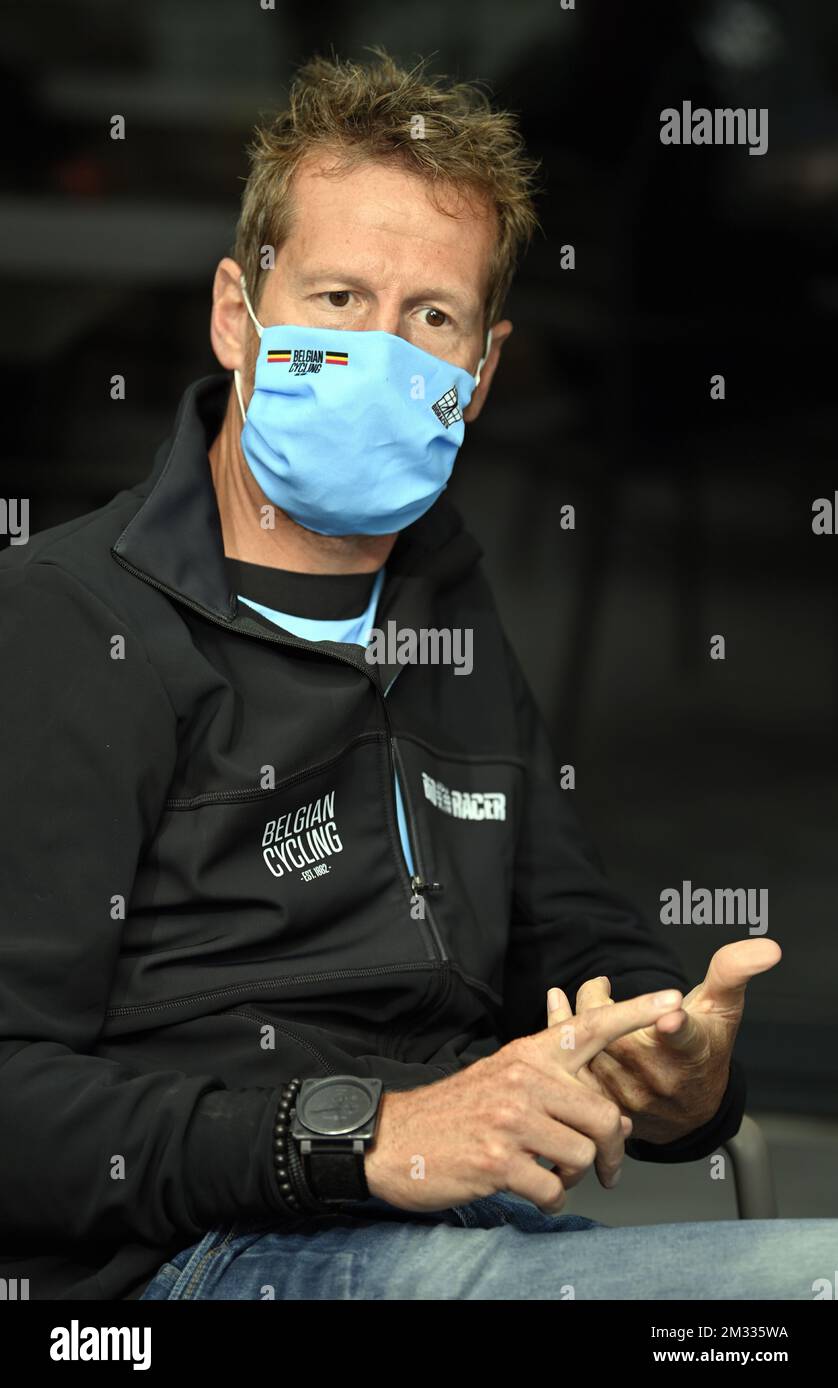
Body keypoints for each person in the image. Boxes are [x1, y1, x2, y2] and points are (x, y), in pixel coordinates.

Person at [0, 49, 833, 1302]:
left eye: (430, 318)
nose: (381, 352)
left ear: (480, 373)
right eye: (337, 297)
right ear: (239, 314)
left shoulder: (442, 611)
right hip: (195, 1261)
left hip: (475, 1240)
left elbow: (569, 929)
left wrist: (675, 1054)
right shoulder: (73, 620)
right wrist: (363, 1134)